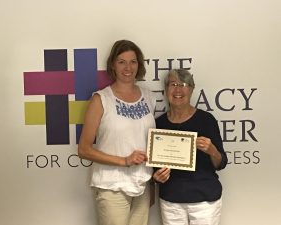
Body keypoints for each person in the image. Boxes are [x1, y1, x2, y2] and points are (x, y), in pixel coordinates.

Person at [78, 39, 156, 225]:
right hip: (112, 185)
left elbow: (150, 143)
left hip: (142, 184)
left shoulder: (149, 97)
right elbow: (84, 149)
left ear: (139, 64)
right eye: (122, 62)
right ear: (113, 65)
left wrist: (151, 184)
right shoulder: (101, 99)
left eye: (133, 61)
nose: (128, 67)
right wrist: (124, 161)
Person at [153, 69, 228, 225]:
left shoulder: (206, 120)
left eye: (184, 85)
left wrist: (212, 150)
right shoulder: (159, 124)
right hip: (171, 201)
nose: (178, 90)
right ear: (166, 89)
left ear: (191, 90)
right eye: (173, 84)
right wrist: (157, 177)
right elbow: (155, 167)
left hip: (204, 202)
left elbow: (221, 163)